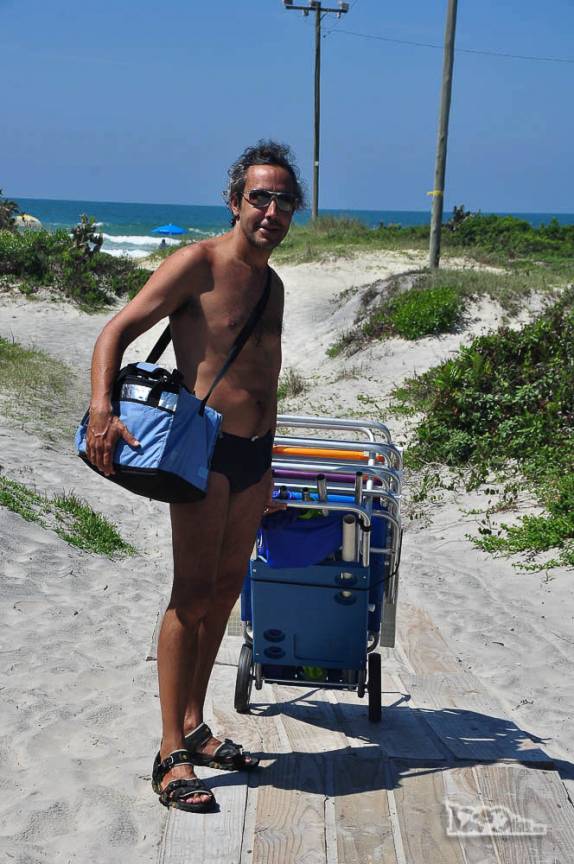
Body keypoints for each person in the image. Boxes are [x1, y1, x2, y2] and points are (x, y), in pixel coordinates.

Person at [85, 141, 304, 813]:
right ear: (234, 201)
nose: (271, 210)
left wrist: (270, 466)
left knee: (226, 591)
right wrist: (102, 407)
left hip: (254, 460)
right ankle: (168, 754)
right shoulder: (197, 264)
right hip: (204, 453)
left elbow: (263, 378)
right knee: (191, 594)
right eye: (260, 197)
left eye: (285, 200)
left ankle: (194, 726)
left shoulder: (274, 285)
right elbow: (117, 330)